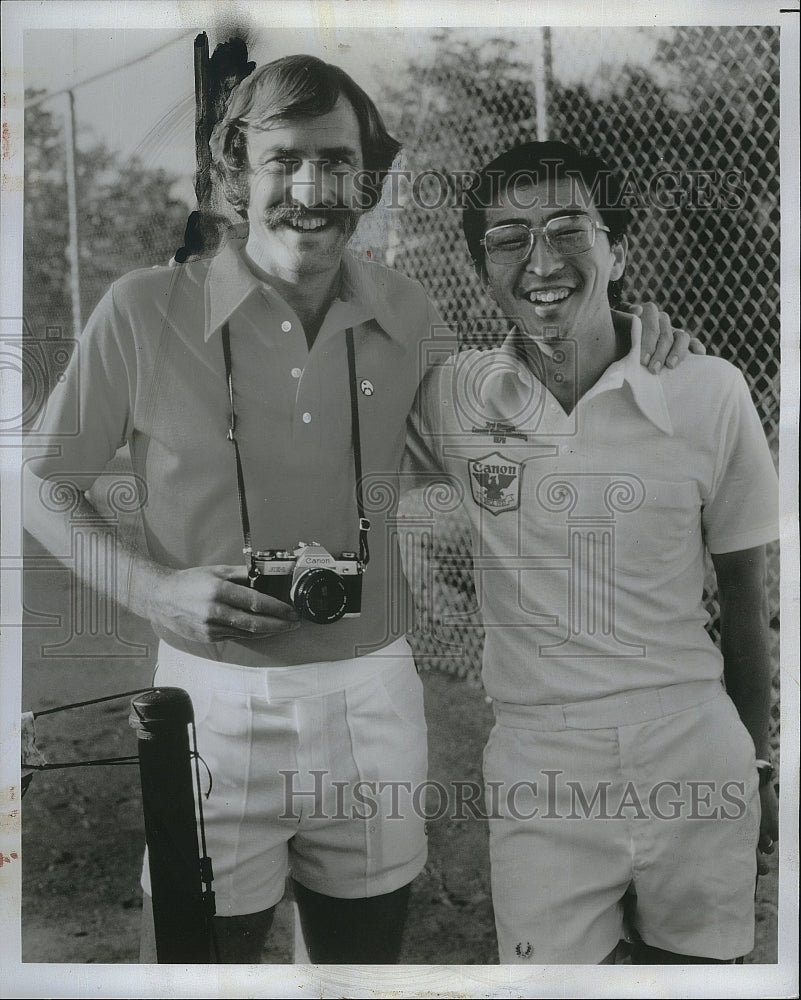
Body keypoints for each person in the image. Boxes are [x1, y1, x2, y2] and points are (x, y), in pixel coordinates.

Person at [23, 58, 692, 964]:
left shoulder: (408, 311)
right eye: (282, 160)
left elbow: (524, 407)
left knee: (356, 971)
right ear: (235, 174)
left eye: (338, 163)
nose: (311, 189)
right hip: (209, 695)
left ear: (369, 181)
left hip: (373, 692)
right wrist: (153, 591)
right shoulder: (143, 310)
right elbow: (42, 480)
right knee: (191, 968)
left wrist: (631, 330)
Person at [401, 140, 779, 965]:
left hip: (691, 742)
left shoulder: (708, 390)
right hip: (539, 758)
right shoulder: (454, 398)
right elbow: (329, 384)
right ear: (481, 268)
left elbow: (746, 613)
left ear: (617, 246)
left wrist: (751, 766)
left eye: (570, 227)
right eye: (506, 238)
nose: (541, 259)